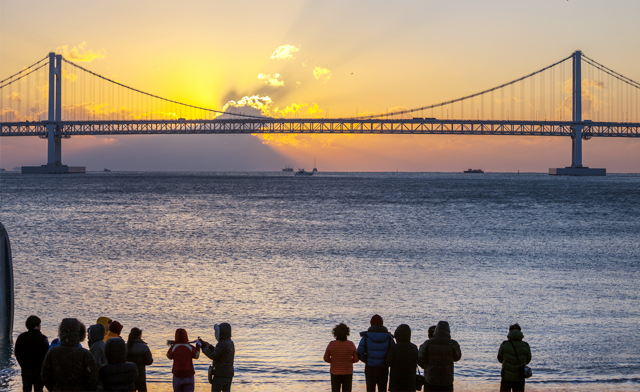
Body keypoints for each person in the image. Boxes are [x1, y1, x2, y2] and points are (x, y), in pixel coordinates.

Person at [41, 318, 99, 392]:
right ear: (80, 333)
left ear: (61, 332)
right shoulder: (85, 354)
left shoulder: (52, 352)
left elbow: (45, 375)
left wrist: (54, 388)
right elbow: (93, 378)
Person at [417, 321, 461, 392]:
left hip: (431, 380)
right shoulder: (453, 343)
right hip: (447, 381)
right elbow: (457, 357)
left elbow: (419, 358)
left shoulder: (428, 343)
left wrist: (425, 366)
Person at [356, 314, 395, 392]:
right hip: (383, 368)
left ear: (371, 323)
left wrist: (366, 360)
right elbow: (393, 353)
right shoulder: (389, 337)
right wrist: (387, 362)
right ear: (382, 323)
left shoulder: (366, 337)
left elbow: (359, 353)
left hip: (370, 368)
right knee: (383, 389)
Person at [14, 315, 49, 392]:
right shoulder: (43, 338)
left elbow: (16, 353)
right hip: (39, 370)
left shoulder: (21, 337)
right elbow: (47, 356)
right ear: (36, 326)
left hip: (26, 369)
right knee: (39, 389)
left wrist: (22, 364)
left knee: (26, 389)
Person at [323, 322, 358, 392]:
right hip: (347, 372)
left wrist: (333, 361)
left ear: (335, 333)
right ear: (347, 333)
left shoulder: (331, 344)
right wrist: (349, 361)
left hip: (335, 372)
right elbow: (356, 359)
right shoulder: (351, 344)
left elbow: (326, 358)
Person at [201, 323, 235, 392]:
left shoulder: (222, 344)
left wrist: (204, 348)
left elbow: (213, 356)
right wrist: (209, 347)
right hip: (228, 374)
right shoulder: (230, 343)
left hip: (220, 374)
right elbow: (219, 353)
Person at [497, 323, 532, 392]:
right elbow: (528, 359)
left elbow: (499, 358)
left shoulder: (505, 344)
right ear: (520, 332)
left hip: (506, 376)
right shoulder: (525, 345)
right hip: (520, 376)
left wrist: (507, 363)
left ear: (510, 332)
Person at [386, 324, 418, 392]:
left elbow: (388, 362)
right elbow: (418, 361)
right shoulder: (414, 347)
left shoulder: (394, 348)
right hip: (410, 382)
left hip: (396, 382)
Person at [126, 328, 154, 392]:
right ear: (140, 335)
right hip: (140, 377)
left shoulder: (126, 346)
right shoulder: (144, 347)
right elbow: (149, 361)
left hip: (128, 377)